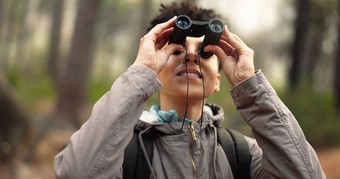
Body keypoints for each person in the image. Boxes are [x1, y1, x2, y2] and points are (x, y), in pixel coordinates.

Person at [54, 2, 325, 179]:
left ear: (218, 80)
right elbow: (77, 173)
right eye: (178, 50)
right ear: (154, 71)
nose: (191, 57)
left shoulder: (243, 155)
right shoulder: (122, 150)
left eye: (205, 53)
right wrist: (139, 73)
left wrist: (250, 86)